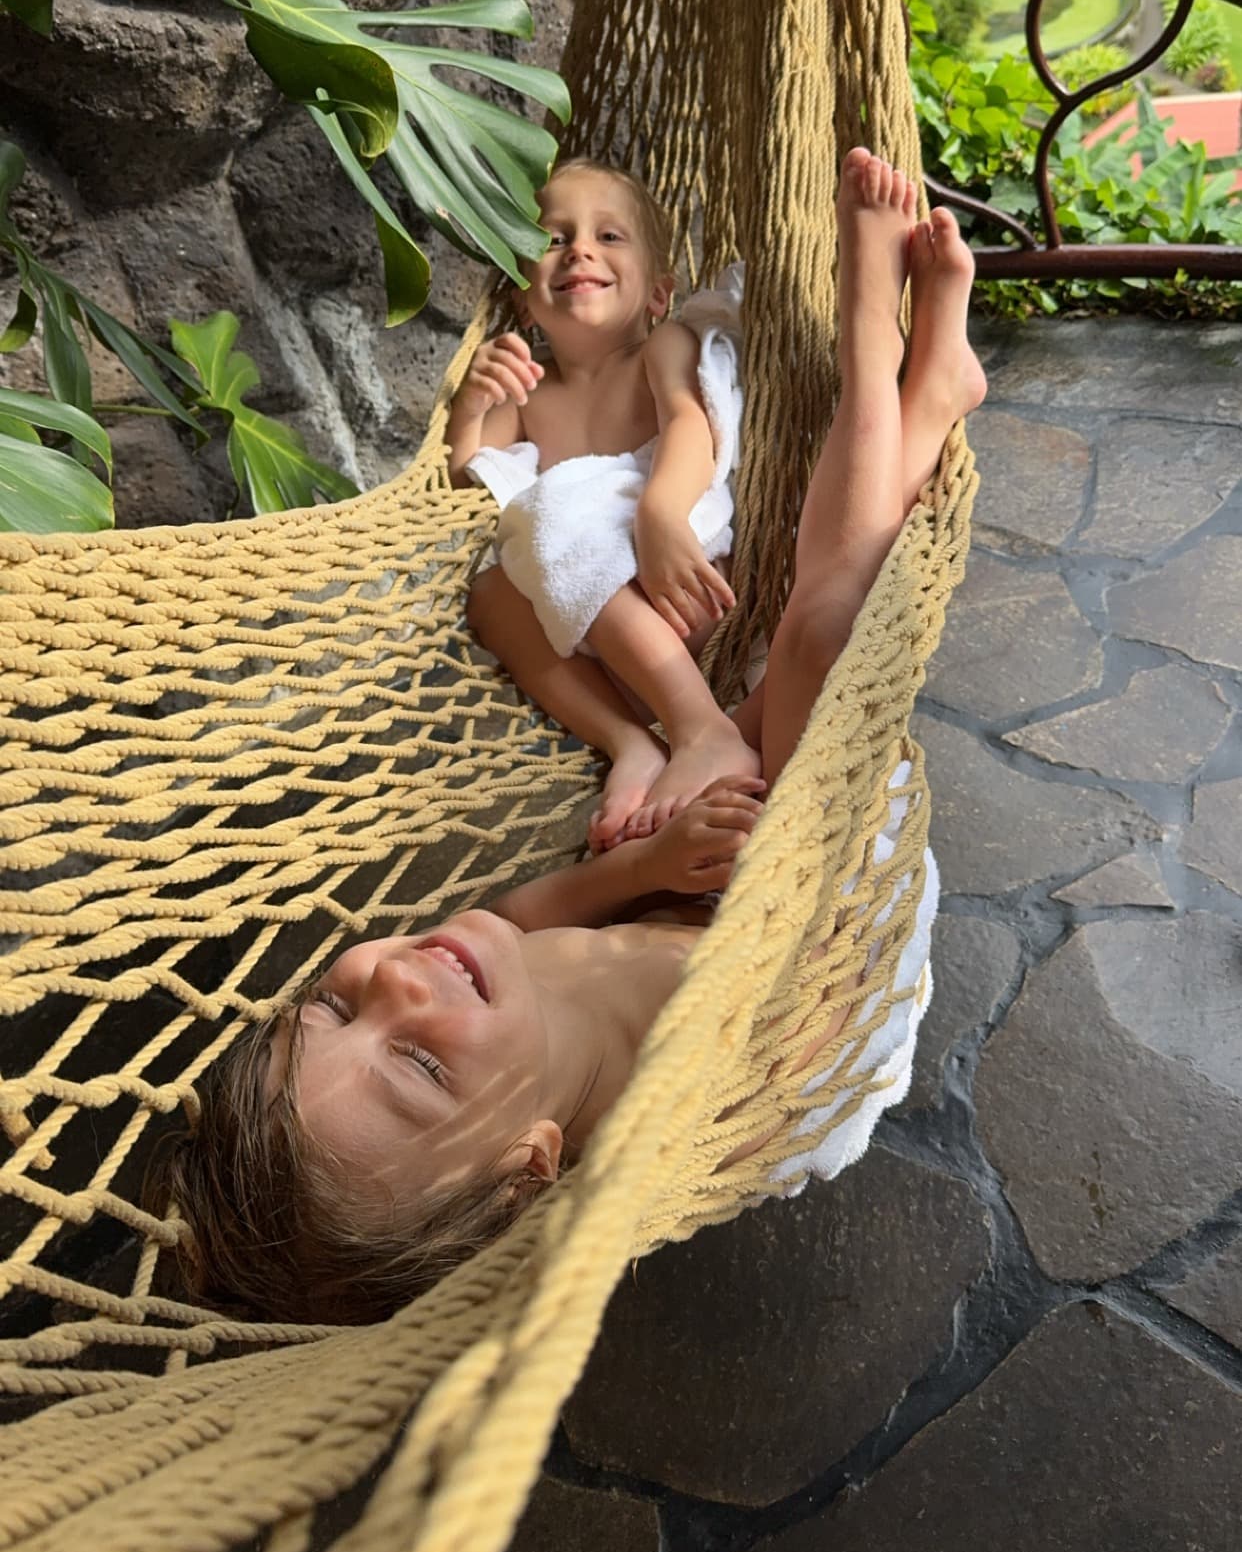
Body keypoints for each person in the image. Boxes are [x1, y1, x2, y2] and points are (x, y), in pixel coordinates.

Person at [159, 152, 986, 1326]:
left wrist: (648, 871)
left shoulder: (482, 999)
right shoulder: (673, 1095)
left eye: (335, 1010)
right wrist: (764, 881)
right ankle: (884, 353)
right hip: (818, 940)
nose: (395, 980)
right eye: (421, 1066)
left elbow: (533, 918)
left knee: (765, 675)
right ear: (531, 1163)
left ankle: (934, 393)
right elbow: (804, 1016)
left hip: (693, 885)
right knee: (819, 646)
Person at [446, 157, 756, 852]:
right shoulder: (527, 390)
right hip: (590, 651)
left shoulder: (663, 346)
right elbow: (471, 493)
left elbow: (688, 423)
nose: (579, 249)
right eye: (555, 239)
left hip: (679, 588)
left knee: (558, 511)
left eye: (609, 237)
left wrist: (660, 516)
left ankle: (703, 728)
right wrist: (471, 409)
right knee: (491, 592)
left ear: (658, 293)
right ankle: (632, 746)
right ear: (526, 297)